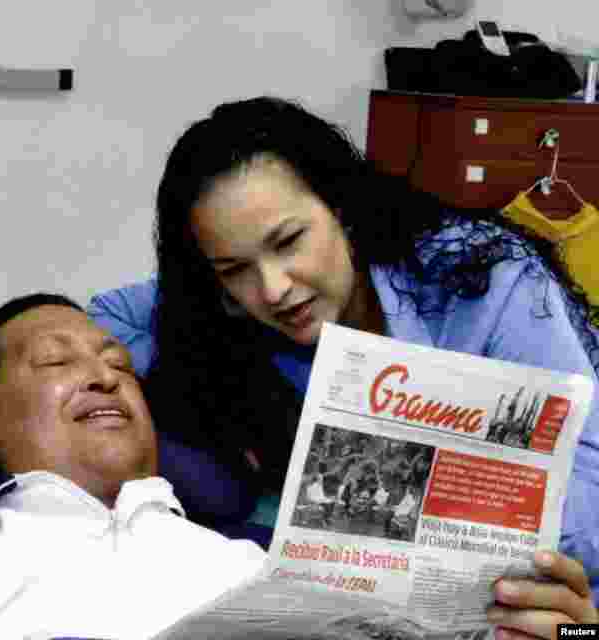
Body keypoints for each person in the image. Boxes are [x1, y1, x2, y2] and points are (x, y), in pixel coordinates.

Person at [0, 293, 597, 640]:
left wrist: (569, 631)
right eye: (55, 362)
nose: (106, 374)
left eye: (116, 362)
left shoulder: (265, 561)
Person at [87, 96, 599, 600]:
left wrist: (412, 487)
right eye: (235, 270)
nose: (271, 289)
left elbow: (593, 501)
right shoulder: (228, 306)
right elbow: (105, 321)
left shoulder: (486, 282)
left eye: (288, 242)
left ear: (343, 212)